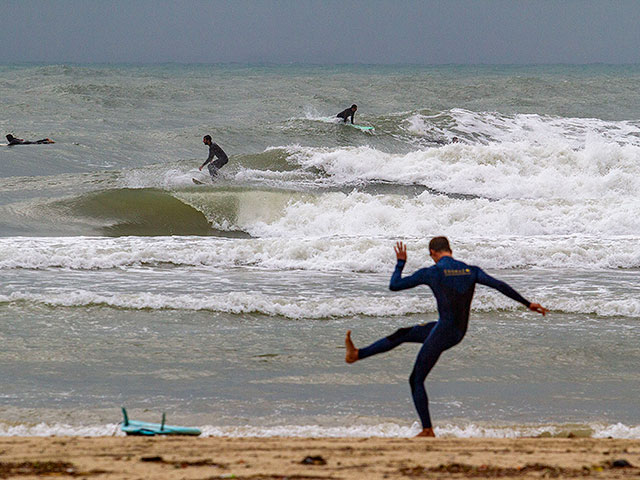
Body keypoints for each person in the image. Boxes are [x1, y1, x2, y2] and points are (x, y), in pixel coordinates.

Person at [344, 236, 547, 438]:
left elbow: (394, 285)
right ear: (449, 249)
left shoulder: (432, 273)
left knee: (416, 379)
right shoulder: (471, 270)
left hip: (444, 332)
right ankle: (357, 354)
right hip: (457, 331)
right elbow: (499, 285)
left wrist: (400, 263)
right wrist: (527, 304)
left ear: (433, 253)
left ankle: (427, 429)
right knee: (402, 334)